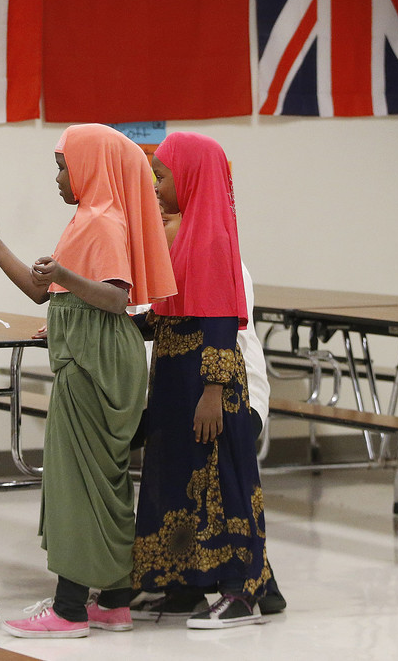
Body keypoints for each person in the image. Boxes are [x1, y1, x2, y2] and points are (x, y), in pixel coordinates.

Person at [0, 123, 175, 639]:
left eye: (62, 165)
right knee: (103, 479)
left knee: (76, 480)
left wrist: (67, 285)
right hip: (96, 348)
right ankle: (114, 602)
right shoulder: (90, 217)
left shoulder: (100, 219)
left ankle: (70, 609)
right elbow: (40, 290)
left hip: (93, 356)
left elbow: (116, 297)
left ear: (90, 166)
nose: (56, 177)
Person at [130, 131, 272, 629]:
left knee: (220, 484)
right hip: (175, 377)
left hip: (205, 384)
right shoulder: (185, 236)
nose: (156, 186)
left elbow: (218, 320)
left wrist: (213, 393)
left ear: (191, 177)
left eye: (163, 176)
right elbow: (167, 313)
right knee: (179, 481)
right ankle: (185, 582)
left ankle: (238, 591)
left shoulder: (211, 236)